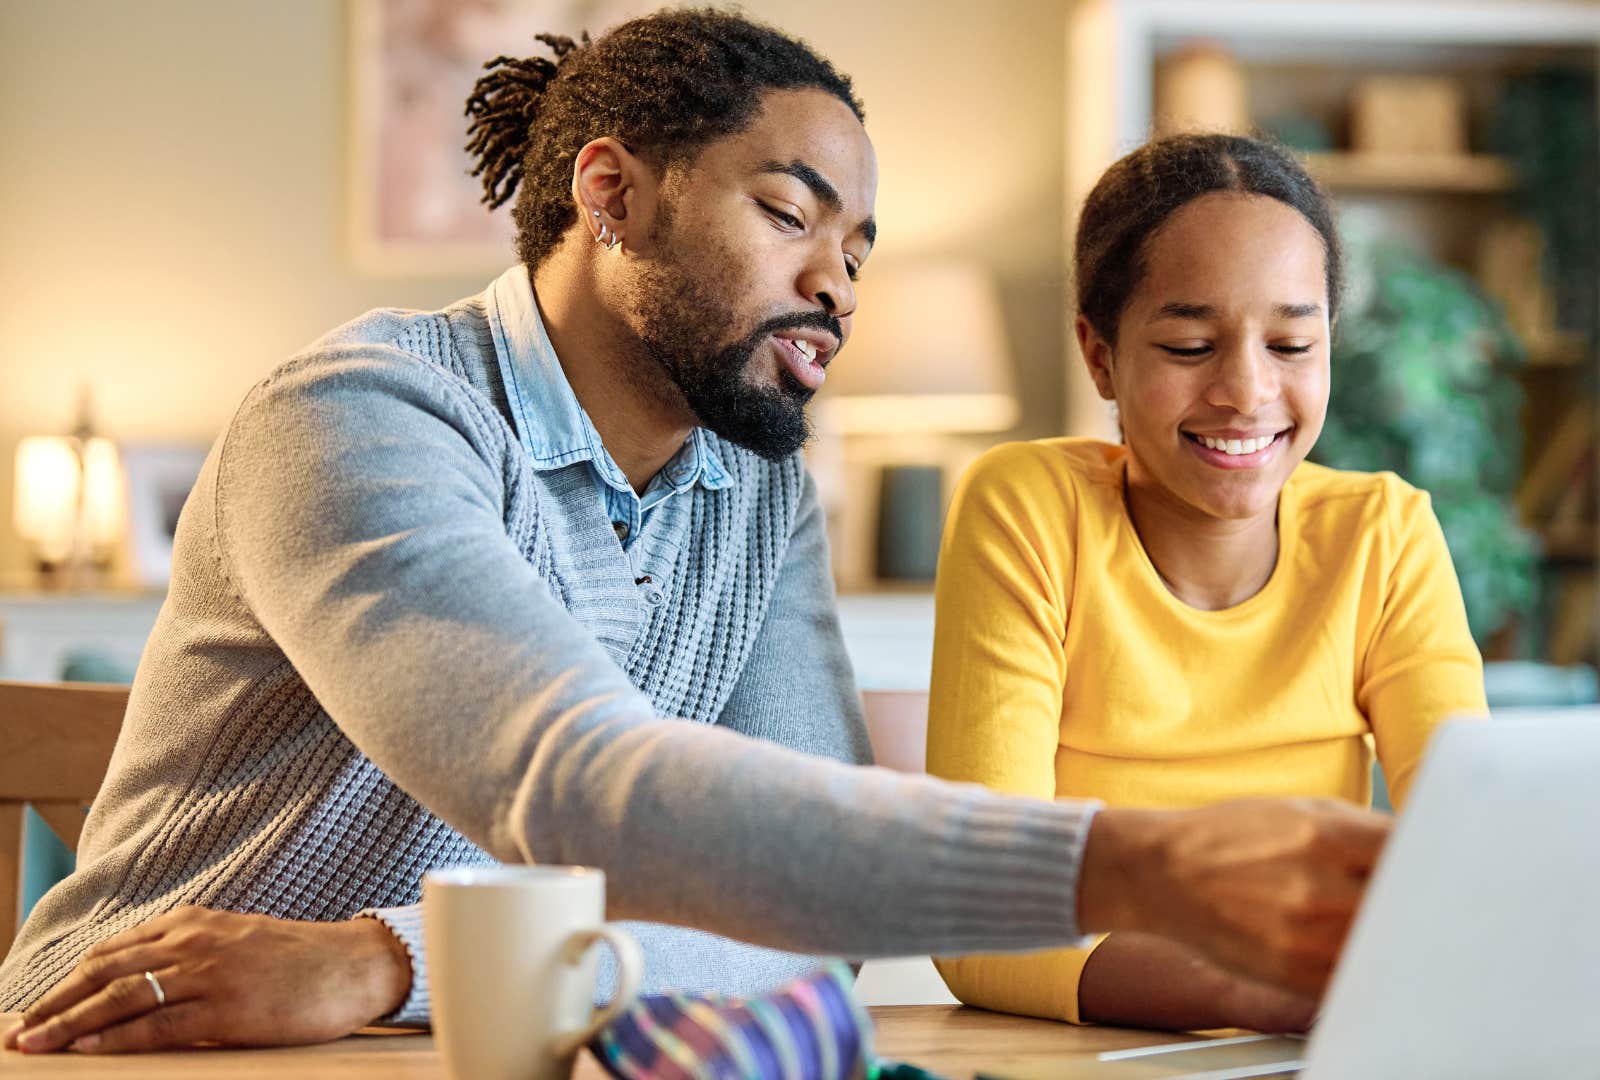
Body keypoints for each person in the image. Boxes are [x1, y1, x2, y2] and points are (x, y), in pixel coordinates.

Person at [0, 13, 1391, 1056]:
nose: (834, 287)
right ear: (610, 196)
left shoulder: (751, 487)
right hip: (132, 1041)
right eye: (791, 215)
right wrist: (1142, 866)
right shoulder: (365, 418)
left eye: (856, 250)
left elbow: (805, 924)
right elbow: (576, 779)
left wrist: (388, 961)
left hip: (436, 1044)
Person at [926, 133, 1488, 1032]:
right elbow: (982, 913)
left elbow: (1474, 846)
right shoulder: (1028, 510)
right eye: (1191, 344)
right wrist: (1265, 994)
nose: (1247, 390)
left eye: (1293, 342)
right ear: (1102, 357)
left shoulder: (1383, 533)